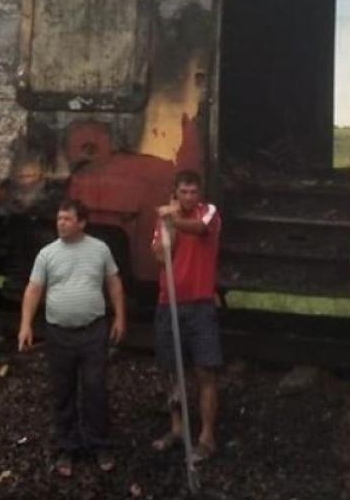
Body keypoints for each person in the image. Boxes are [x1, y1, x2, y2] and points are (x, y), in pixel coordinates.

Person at [18, 198, 127, 477]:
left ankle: (100, 444)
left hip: (93, 332)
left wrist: (120, 317)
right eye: (59, 219)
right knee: (63, 392)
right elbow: (33, 289)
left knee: (95, 389)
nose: (61, 223)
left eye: (67, 219)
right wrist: (25, 325)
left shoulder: (99, 249)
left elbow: (114, 283)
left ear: (82, 223)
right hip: (59, 334)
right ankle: (67, 447)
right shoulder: (47, 254)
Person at [150, 170, 223, 462]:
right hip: (168, 303)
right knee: (170, 370)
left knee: (206, 370)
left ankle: (206, 437)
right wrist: (168, 228)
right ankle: (177, 428)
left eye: (193, 192)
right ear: (176, 192)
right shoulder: (165, 221)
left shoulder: (209, 213)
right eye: (183, 192)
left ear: (200, 193)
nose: (189, 197)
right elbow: (160, 257)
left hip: (201, 305)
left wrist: (173, 219)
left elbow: (200, 229)